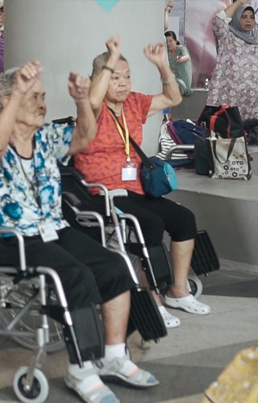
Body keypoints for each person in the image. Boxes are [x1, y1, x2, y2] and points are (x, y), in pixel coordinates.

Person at [0, 61, 158, 403]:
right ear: (8, 103)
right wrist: (18, 90)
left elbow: (84, 136)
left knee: (116, 265)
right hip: (13, 238)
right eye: (33, 97)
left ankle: (114, 355)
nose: (42, 103)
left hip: (54, 229)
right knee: (75, 276)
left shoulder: (45, 137)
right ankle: (81, 369)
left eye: (44, 96)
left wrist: (80, 102)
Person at [74, 36, 210, 329]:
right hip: (103, 193)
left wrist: (163, 65)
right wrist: (110, 59)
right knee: (149, 224)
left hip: (135, 188)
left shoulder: (135, 102)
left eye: (127, 76)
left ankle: (178, 290)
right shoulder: (91, 109)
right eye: (114, 77)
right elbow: (94, 99)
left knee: (184, 219)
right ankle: (151, 298)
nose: (122, 83)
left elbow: (173, 98)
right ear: (99, 79)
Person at [207, 0, 258, 121]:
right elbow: (218, 22)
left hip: (253, 102)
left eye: (251, 17)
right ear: (236, 18)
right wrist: (239, 3)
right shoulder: (227, 36)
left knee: (251, 135)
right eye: (243, 16)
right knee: (231, 133)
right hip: (230, 99)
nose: (248, 20)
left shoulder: (256, 37)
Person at [164, 31, 192, 97]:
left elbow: (187, 57)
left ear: (175, 41)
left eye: (171, 41)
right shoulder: (166, 53)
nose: (168, 44)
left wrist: (181, 58)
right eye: (166, 42)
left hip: (182, 84)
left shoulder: (181, 49)